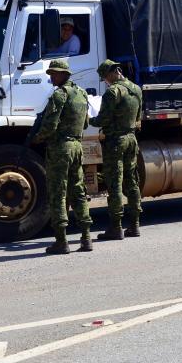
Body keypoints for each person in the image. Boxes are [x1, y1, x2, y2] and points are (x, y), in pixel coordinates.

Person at [26, 58, 93, 254]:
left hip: (60, 149)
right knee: (78, 191)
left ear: (64, 74)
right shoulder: (81, 94)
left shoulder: (59, 96)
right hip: (76, 147)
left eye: (54, 74)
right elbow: (86, 124)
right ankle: (86, 238)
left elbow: (50, 126)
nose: (52, 77)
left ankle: (61, 241)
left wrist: (37, 138)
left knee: (57, 193)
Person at [90, 59, 143, 240]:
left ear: (112, 73)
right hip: (131, 140)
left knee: (114, 184)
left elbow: (102, 119)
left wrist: (89, 119)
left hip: (115, 143)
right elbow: (138, 118)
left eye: (105, 77)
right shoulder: (136, 89)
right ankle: (135, 225)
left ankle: (116, 227)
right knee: (132, 182)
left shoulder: (112, 92)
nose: (105, 81)